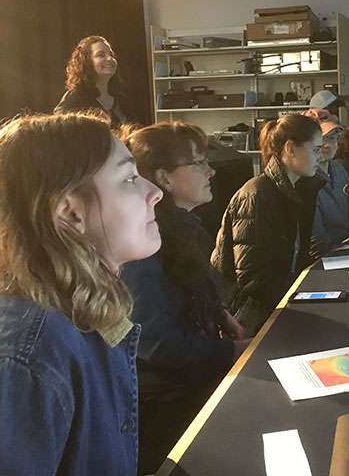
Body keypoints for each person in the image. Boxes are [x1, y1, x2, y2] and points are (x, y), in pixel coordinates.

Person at [0, 111, 163, 475]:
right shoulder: (17, 357)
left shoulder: (72, 308)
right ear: (69, 212)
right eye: (128, 179)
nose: (154, 192)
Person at [120, 121, 250, 474]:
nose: (210, 171)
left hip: (190, 382)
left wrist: (220, 314)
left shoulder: (184, 228)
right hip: (169, 406)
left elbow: (187, 293)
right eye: (197, 163)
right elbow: (156, 344)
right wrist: (232, 352)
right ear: (163, 178)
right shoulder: (145, 244)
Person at [212, 113, 323, 335]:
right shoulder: (257, 196)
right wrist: (306, 298)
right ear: (290, 149)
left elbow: (295, 258)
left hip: (275, 303)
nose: (321, 156)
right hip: (249, 314)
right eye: (316, 149)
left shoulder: (296, 190)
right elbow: (253, 280)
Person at [303, 109, 349, 259]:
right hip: (329, 259)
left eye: (332, 137)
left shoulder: (338, 168)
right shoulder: (306, 179)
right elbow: (318, 244)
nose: (328, 145)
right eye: (322, 139)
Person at [54, 35, 131, 127]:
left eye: (111, 54)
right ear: (86, 61)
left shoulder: (120, 99)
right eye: (101, 55)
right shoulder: (76, 96)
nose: (110, 59)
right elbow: (58, 126)